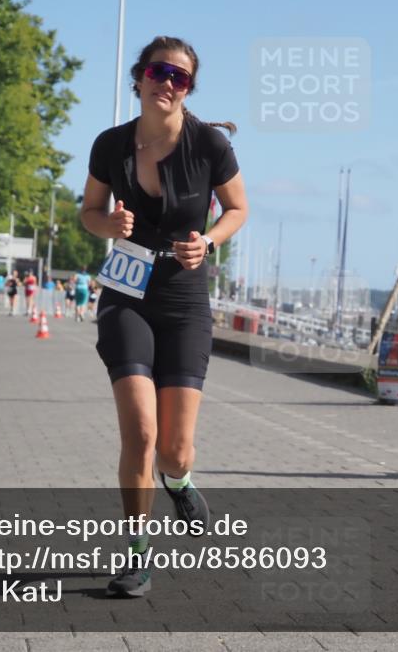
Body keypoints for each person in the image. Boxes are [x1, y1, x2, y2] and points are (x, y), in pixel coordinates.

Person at [80, 36, 248, 597]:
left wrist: (211, 240)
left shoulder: (209, 145)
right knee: (142, 434)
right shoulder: (109, 145)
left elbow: (239, 208)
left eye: (181, 78)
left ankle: (179, 481)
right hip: (127, 294)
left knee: (174, 449)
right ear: (139, 77)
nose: (168, 83)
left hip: (184, 299)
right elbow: (89, 212)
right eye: (159, 72)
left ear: (189, 89)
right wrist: (110, 227)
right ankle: (136, 554)